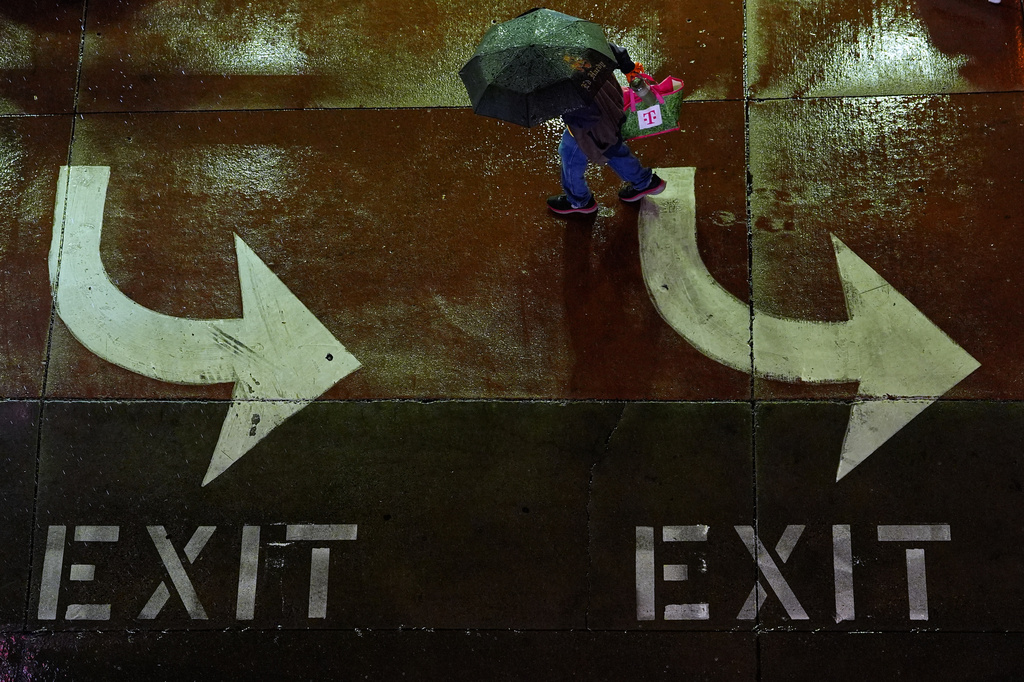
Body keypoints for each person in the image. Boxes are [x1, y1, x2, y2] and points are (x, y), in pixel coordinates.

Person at [547, 44, 666, 215]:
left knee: (570, 154)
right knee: (612, 146)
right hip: (611, 100)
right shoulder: (578, 39)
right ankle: (644, 181)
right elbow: (614, 50)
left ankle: (579, 200)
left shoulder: (553, 70)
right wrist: (629, 68)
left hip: (586, 123)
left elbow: (570, 107)